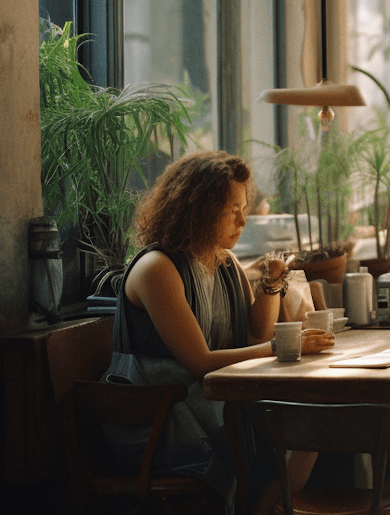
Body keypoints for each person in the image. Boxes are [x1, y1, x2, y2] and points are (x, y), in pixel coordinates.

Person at [101, 151, 336, 515]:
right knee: (287, 427)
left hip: (203, 403)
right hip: (158, 418)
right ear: (198, 208)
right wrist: (285, 347)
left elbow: (255, 334)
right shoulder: (156, 268)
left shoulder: (222, 261)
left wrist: (272, 284)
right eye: (232, 210)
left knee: (312, 424)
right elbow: (201, 363)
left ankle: (263, 506)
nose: (243, 220)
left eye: (244, 208)